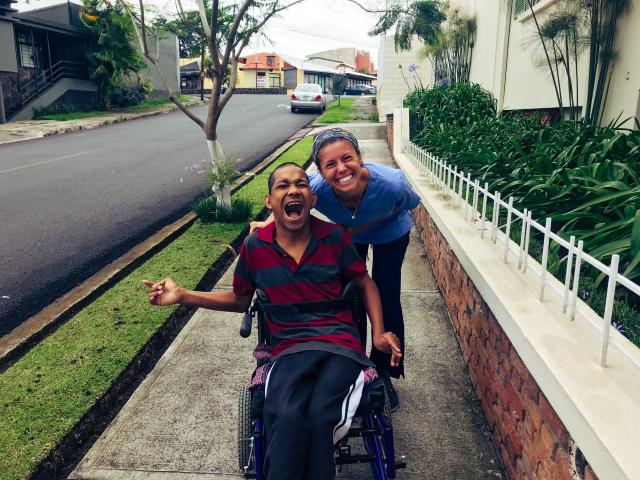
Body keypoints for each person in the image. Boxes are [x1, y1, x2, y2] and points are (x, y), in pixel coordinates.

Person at [144, 162, 401, 480]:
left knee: (322, 415)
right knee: (285, 415)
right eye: (283, 185)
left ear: (312, 198)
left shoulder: (335, 238)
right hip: (287, 349)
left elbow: (365, 282)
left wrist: (378, 332)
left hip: (339, 346)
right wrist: (183, 295)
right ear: (269, 201)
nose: (293, 190)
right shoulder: (255, 246)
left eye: (301, 184)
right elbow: (240, 300)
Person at [250, 128, 420, 411]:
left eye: (347, 158)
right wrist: (267, 226)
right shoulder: (316, 187)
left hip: (391, 232)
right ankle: (357, 367)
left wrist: (361, 225)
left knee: (386, 295)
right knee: (349, 296)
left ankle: (385, 373)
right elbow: (289, 204)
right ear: (320, 170)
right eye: (330, 164)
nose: (341, 169)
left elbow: (409, 205)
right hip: (350, 236)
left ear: (360, 158)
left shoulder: (391, 183)